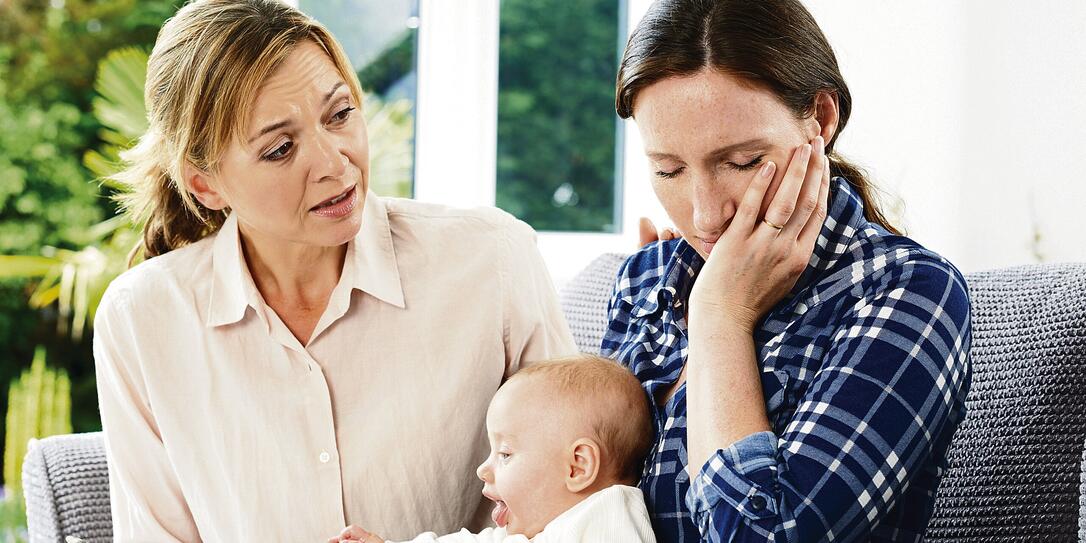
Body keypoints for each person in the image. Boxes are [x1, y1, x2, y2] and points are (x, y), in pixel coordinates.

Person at [92, 1, 575, 540]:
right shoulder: (142, 318)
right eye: (280, 148)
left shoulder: (492, 261)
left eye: (340, 114)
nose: (334, 162)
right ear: (205, 184)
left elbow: (578, 514)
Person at [603, 0, 973, 541]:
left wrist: (720, 319)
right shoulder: (646, 278)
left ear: (821, 119)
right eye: (669, 170)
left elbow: (766, 534)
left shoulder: (907, 291)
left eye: (744, 162)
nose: (705, 214)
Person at [329, 356, 658, 543]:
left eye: (505, 454)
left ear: (577, 467)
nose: (483, 470)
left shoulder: (609, 519)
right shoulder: (521, 532)